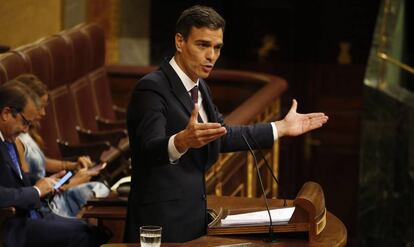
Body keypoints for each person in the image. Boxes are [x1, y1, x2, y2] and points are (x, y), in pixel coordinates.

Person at [125, 5, 329, 243]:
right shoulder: (151, 88)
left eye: (217, 48)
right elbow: (147, 149)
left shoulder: (200, 86)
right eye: (203, 45)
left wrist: (280, 128)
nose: (211, 56)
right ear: (180, 42)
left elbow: (222, 134)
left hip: (194, 219)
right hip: (160, 225)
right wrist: (180, 142)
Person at [0, 83, 110, 247]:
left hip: (30, 215)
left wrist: (47, 182)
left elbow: (19, 178)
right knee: (83, 234)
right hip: (10, 225)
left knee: (94, 230)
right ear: (6, 113)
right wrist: (36, 191)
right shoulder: (8, 139)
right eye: (24, 123)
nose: (25, 130)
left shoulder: (8, 139)